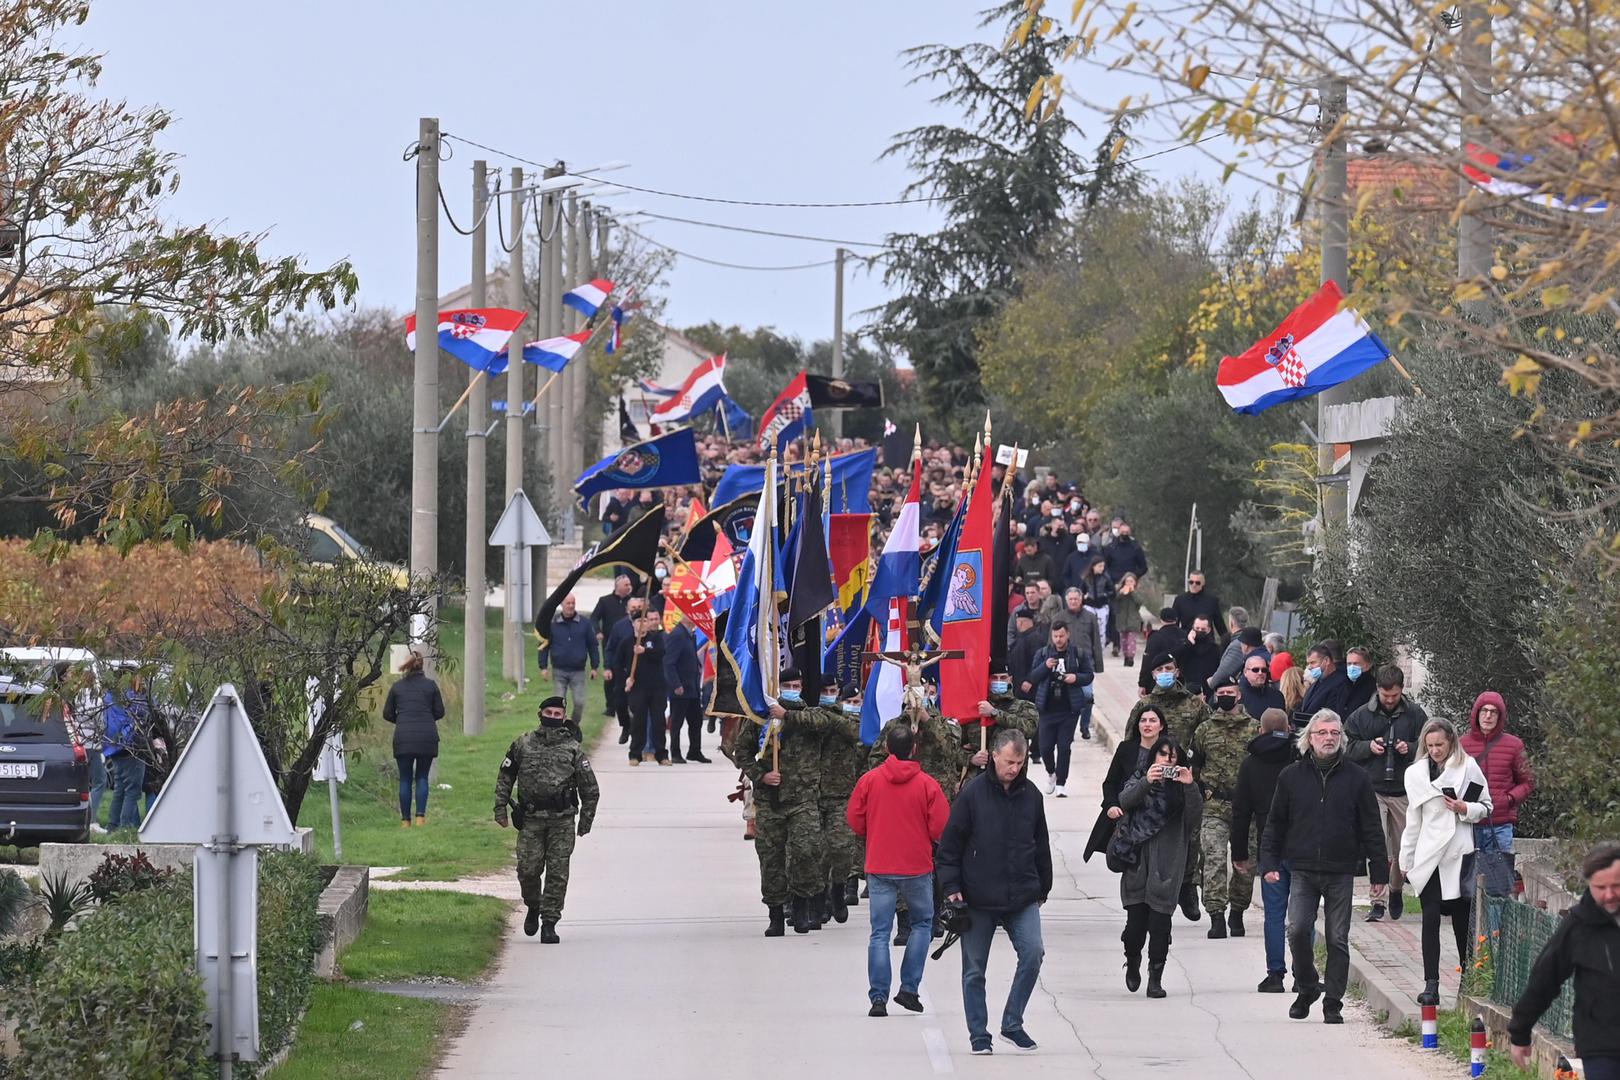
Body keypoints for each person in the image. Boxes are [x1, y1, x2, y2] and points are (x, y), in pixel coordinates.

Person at [1260, 709, 1388, 1025]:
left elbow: (1372, 827)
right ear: (1310, 738)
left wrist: (1379, 872)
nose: (1328, 738)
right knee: (1298, 929)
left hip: (1341, 869)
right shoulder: (1291, 776)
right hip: (1301, 867)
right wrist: (1269, 862)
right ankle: (1307, 987)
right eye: (1322, 733)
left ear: (1341, 738)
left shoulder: (1357, 778)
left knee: (1337, 937)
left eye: (1334, 733)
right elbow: (1275, 823)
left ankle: (1333, 1001)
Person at [937, 730, 1051, 1056]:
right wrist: (952, 888)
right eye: (1009, 761)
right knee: (974, 970)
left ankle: (1012, 1023)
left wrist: (1044, 885)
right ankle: (978, 1035)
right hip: (978, 897)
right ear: (995, 757)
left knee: (1033, 953)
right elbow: (949, 847)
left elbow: (1040, 843)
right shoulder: (972, 794)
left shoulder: (1032, 795)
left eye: (1020, 762)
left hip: (1022, 894)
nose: (1014, 768)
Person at [847, 721, 950, 1017]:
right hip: (916, 866)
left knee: (879, 932)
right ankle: (909, 988)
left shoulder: (870, 780)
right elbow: (941, 826)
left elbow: (855, 819)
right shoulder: (927, 784)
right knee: (921, 925)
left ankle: (878, 998)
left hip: (879, 864)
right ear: (914, 750)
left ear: (888, 748)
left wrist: (876, 830)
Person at [732, 669, 838, 936]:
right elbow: (741, 751)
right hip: (771, 801)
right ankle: (776, 914)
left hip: (803, 799)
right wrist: (761, 775)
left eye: (796, 685)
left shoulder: (809, 714)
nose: (792, 689)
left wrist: (787, 716)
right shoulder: (760, 717)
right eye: (787, 685)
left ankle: (801, 908)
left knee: (805, 853)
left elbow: (824, 723)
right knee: (771, 859)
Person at [1398, 718, 1492, 1006]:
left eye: (1440, 744)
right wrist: (1406, 858)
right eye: (1430, 745)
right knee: (1429, 918)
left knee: (1462, 923)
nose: (1436, 750)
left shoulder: (1468, 768)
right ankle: (1431, 984)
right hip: (1429, 856)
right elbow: (1413, 820)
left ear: (1451, 741)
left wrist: (1464, 808)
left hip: (1457, 853)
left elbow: (1486, 806)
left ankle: (1467, 981)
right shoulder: (1415, 774)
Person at [1508, 842, 1620, 1079]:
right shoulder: (1579, 926)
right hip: (1601, 1045)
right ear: (1589, 885)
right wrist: (1520, 1032)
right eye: (1601, 887)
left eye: (1617, 886)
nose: (1610, 894)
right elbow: (1545, 978)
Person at [494, 696, 601, 943]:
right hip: (531, 819)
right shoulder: (522, 744)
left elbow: (590, 789)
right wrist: (500, 807)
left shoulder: (573, 748)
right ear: (539, 713)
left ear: (564, 718)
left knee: (557, 872)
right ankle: (533, 904)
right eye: (548, 713)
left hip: (561, 821)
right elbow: (505, 776)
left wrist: (586, 820)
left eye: (557, 714)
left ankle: (549, 922)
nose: (552, 718)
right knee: (527, 870)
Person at [1110, 737, 1203, 998]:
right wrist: (1146, 781)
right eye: (1162, 756)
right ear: (1153, 758)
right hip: (1136, 862)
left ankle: (1155, 977)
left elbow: (1194, 819)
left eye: (1172, 758)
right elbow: (1125, 799)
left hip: (1167, 867)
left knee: (1161, 926)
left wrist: (1190, 785)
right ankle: (1133, 959)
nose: (1167, 762)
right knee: (1135, 927)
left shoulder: (1183, 789)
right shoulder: (1141, 777)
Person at [1344, 665, 1428, 921]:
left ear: (1401, 691)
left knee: (1403, 848)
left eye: (1394, 696)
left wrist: (1410, 747)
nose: (1389, 700)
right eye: (1385, 695)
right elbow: (1347, 747)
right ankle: (1376, 899)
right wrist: (1368, 747)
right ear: (1378, 690)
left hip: (1404, 790)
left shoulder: (1415, 715)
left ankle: (1395, 889)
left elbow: (1430, 746)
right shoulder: (1361, 716)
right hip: (1373, 789)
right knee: (1377, 846)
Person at [1230, 708, 1297, 993]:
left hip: (1269, 844)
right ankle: (1304, 973)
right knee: (1303, 912)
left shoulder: (1250, 764)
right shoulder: (1299, 757)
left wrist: (1240, 852)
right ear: (1288, 727)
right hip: (1302, 841)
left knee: (1274, 912)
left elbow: (1241, 812)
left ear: (1260, 730)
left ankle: (1275, 974)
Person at [1190, 680, 1258, 938]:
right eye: (1221, 694)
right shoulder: (1205, 730)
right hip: (1214, 806)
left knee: (1246, 864)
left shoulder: (1254, 728)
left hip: (1245, 809)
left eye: (1230, 693)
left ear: (1239, 696)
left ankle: (1237, 911)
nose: (1226, 697)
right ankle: (1216, 914)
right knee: (1214, 859)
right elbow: (1195, 767)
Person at [1459, 691, 1536, 891]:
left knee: (1499, 882)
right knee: (1469, 882)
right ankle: (1472, 922)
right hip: (1470, 825)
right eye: (1484, 710)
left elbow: (1528, 781)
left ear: (1500, 716)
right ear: (1476, 713)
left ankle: (1497, 922)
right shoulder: (1462, 745)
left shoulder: (1514, 745)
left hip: (1501, 824)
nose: (1488, 716)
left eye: (1494, 712)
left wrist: (1509, 799)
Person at [1085, 705, 1165, 862]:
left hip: (1157, 818)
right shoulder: (1126, 749)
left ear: (1161, 725)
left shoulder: (1169, 751)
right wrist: (1111, 805)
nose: (1147, 725)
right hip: (1129, 818)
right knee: (1129, 867)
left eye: (1152, 721)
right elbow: (1110, 782)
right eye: (1143, 721)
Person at [814, 680, 864, 925]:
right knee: (820, 851)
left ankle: (838, 887)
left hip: (843, 794)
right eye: (826, 691)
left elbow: (855, 732)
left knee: (842, 849)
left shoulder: (851, 721)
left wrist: (829, 716)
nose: (830, 696)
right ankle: (822, 898)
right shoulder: (814, 718)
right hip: (814, 793)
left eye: (834, 692)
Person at [1029, 622, 1094, 795]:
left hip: (1069, 709)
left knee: (1064, 747)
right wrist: (1045, 666)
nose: (1058, 640)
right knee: (1045, 747)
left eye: (1061, 636)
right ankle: (1051, 773)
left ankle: (1061, 784)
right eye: (1055, 636)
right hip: (1047, 709)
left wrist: (1075, 678)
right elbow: (1033, 676)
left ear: (1068, 635)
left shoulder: (1078, 653)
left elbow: (1089, 675)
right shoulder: (1043, 654)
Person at [382, 650, 446, 828]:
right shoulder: (431, 685)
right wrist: (425, 718)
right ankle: (420, 818)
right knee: (422, 777)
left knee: (405, 779)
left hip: (403, 738)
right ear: (422, 665)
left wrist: (402, 720)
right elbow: (440, 711)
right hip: (427, 737)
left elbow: (387, 713)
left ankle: (405, 821)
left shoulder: (397, 687)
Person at [966, 663, 1039, 780]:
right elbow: (955, 746)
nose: (999, 681)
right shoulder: (976, 708)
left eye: (1003, 678)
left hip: (1013, 780)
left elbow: (1029, 729)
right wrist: (971, 758)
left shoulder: (1024, 706)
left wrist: (995, 713)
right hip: (979, 779)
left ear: (1010, 679)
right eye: (994, 678)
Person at [538, 595, 599, 728]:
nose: (571, 606)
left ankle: (573, 726)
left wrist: (595, 667)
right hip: (559, 670)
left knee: (579, 702)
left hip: (578, 671)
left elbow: (592, 645)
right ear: (562, 605)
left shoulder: (584, 623)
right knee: (558, 703)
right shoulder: (553, 623)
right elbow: (544, 645)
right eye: (568, 603)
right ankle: (558, 728)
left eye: (573, 603)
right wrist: (543, 667)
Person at [617, 611, 669, 765]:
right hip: (638, 688)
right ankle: (635, 754)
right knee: (638, 722)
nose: (642, 624)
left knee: (658, 721)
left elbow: (661, 654)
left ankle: (661, 755)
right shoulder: (627, 642)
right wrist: (626, 679)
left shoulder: (655, 639)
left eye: (644, 621)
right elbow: (618, 664)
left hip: (656, 687)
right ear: (633, 624)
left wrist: (645, 651)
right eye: (639, 621)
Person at [101, 676, 148, 831]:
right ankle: (125, 827)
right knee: (132, 791)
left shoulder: (109, 696)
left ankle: (113, 826)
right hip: (131, 746)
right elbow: (144, 712)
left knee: (119, 788)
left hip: (113, 747)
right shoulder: (133, 698)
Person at [663, 612, 709, 764]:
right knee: (677, 722)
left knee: (696, 721)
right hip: (681, 688)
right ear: (685, 617)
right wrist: (676, 684)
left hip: (692, 687)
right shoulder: (677, 634)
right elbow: (669, 662)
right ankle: (675, 752)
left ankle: (694, 751)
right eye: (693, 615)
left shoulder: (691, 634)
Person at [590, 575, 634, 717]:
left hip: (629, 644)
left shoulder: (632, 602)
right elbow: (594, 617)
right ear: (618, 586)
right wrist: (597, 631)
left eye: (629, 584)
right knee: (610, 673)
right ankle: (610, 706)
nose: (629, 587)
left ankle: (628, 704)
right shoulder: (605, 601)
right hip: (611, 643)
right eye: (626, 585)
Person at [1293, 641, 1351, 730]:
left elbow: (1332, 716)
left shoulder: (1340, 684)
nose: (1309, 667)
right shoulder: (1317, 682)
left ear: (1326, 661)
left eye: (1313, 662)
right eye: (1308, 663)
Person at [1174, 615, 1223, 701]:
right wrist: (1188, 643)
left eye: (1203, 629)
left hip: (1208, 692)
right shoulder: (1184, 646)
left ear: (1208, 630)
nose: (1199, 631)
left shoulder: (1216, 649)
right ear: (1193, 628)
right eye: (1197, 628)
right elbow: (1173, 657)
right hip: (1186, 690)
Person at [1171, 571, 1225, 643]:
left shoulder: (1212, 600)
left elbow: (1219, 624)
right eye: (1191, 582)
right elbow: (1174, 624)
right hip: (1187, 643)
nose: (1194, 585)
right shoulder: (1180, 600)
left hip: (1207, 644)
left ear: (1203, 583)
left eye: (1197, 583)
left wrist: (1227, 642)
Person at [1139, 609, 1183, 692]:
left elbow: (1147, 661)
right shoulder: (1185, 636)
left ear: (1161, 619)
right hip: (1181, 683)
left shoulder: (1155, 637)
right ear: (1176, 619)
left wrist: (1142, 684)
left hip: (1157, 684)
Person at [1007, 609, 1044, 704]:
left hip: (1029, 688)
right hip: (1019, 686)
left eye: (1018, 622)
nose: (1017, 625)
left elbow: (1037, 663)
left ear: (1022, 622)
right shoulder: (1020, 638)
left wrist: (1030, 680)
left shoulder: (1035, 639)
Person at [1239, 650, 1286, 719]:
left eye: (1264, 670)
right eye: (1255, 670)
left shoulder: (1277, 696)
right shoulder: (1238, 697)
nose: (1260, 673)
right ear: (1245, 672)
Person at [1079, 556, 1115, 643]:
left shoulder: (1106, 577)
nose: (1102, 568)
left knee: (1101, 630)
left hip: (1102, 605)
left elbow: (1112, 591)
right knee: (1088, 627)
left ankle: (1100, 650)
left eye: (1103, 566)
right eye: (1100, 566)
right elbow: (1081, 591)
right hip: (1089, 605)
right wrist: (1084, 597)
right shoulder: (1086, 578)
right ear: (1093, 566)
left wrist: (1105, 595)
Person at [1112, 572, 1142, 667]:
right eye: (1127, 581)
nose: (1129, 583)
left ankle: (1130, 658)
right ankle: (1125, 657)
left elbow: (1140, 602)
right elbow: (1115, 600)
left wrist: (1133, 592)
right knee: (1124, 641)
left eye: (1131, 581)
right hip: (1122, 620)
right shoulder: (1120, 591)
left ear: (1135, 583)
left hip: (1133, 620)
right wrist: (1121, 593)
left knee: (1131, 640)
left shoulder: (1137, 592)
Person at [1342, 645, 1375, 715]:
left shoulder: (1372, 687)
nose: (1352, 667)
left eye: (1356, 663)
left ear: (1367, 665)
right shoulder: (1343, 684)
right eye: (1349, 664)